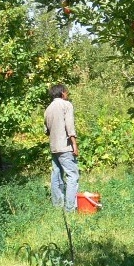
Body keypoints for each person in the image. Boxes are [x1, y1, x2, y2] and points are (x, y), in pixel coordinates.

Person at [44, 84, 79, 212]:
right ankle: (70, 208)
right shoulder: (66, 105)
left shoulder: (48, 109)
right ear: (63, 93)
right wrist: (74, 144)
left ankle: (57, 205)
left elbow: (46, 130)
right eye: (67, 92)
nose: (67, 94)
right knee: (72, 176)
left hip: (54, 147)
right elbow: (70, 126)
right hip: (65, 147)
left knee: (56, 176)